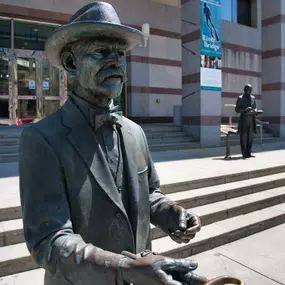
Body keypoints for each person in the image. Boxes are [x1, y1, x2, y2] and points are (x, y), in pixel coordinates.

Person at [19, 2, 206, 285]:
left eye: (121, 54)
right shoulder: (42, 139)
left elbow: (149, 193)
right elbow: (49, 241)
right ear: (71, 63)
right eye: (101, 52)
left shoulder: (135, 133)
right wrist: (123, 268)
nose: (116, 61)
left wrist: (172, 213)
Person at [235, 84, 257, 158]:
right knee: (244, 138)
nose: (250, 91)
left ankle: (249, 153)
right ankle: (244, 154)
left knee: (250, 137)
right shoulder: (240, 98)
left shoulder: (253, 98)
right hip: (244, 120)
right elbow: (237, 109)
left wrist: (255, 111)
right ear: (245, 90)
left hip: (251, 120)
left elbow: (255, 108)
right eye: (249, 89)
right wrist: (245, 110)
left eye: (251, 89)